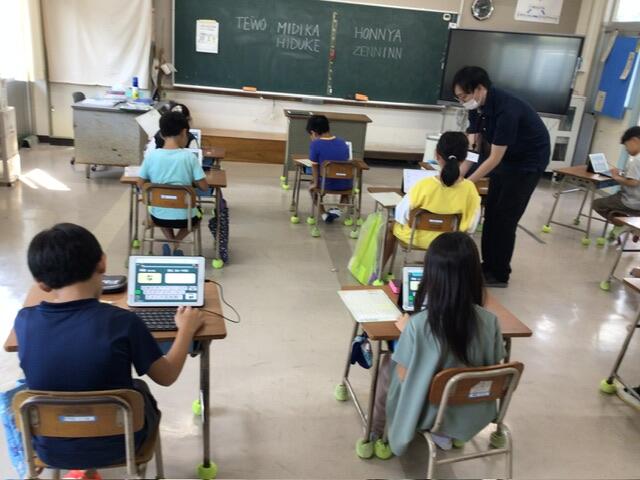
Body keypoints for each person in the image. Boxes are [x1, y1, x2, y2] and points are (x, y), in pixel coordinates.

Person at [13, 223, 204, 473]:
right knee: (139, 389)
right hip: (122, 444)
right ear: (102, 263)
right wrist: (186, 330)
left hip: (49, 448)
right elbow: (166, 376)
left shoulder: (25, 321)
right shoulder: (124, 322)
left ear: (42, 284)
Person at [369, 232, 505, 459]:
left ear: (431, 276)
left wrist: (407, 334)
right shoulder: (490, 322)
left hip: (426, 410)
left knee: (386, 365)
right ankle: (448, 430)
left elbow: (404, 378)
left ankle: (376, 430)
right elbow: (493, 366)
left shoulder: (419, 325)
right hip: (470, 406)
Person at [452, 66, 551, 287]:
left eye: (464, 96)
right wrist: (459, 174)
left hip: (528, 163)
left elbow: (494, 158)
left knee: (505, 218)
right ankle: (487, 266)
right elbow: (473, 148)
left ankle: (499, 274)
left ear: (479, 89)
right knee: (491, 212)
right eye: (458, 98)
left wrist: (466, 183)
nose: (462, 101)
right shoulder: (476, 107)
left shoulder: (507, 110)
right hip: (507, 159)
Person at [382, 132, 481, 268]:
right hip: (451, 243)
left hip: (416, 238)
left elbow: (401, 215)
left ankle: (378, 272)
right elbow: (472, 225)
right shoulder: (470, 188)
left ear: (436, 155)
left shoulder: (423, 185)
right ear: (464, 158)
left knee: (391, 226)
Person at [139, 111, 209, 256]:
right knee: (198, 216)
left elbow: (140, 184)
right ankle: (175, 242)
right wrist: (191, 181)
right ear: (184, 132)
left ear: (161, 133)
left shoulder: (151, 156)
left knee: (162, 207)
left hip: (158, 217)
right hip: (186, 219)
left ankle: (171, 242)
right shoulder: (189, 157)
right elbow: (204, 187)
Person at [593, 127, 640, 235]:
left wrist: (615, 177)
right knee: (611, 205)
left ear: (634, 140)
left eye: (626, 145)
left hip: (631, 201)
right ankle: (624, 223)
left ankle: (624, 225)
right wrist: (623, 174)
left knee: (597, 204)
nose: (626, 150)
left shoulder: (637, 160)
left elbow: (633, 182)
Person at [306, 115, 351, 223]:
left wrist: (315, 183)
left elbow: (314, 166)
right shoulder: (343, 143)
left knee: (312, 187)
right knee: (346, 187)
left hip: (325, 184)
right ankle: (339, 209)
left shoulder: (315, 144)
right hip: (346, 185)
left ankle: (323, 214)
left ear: (313, 133)